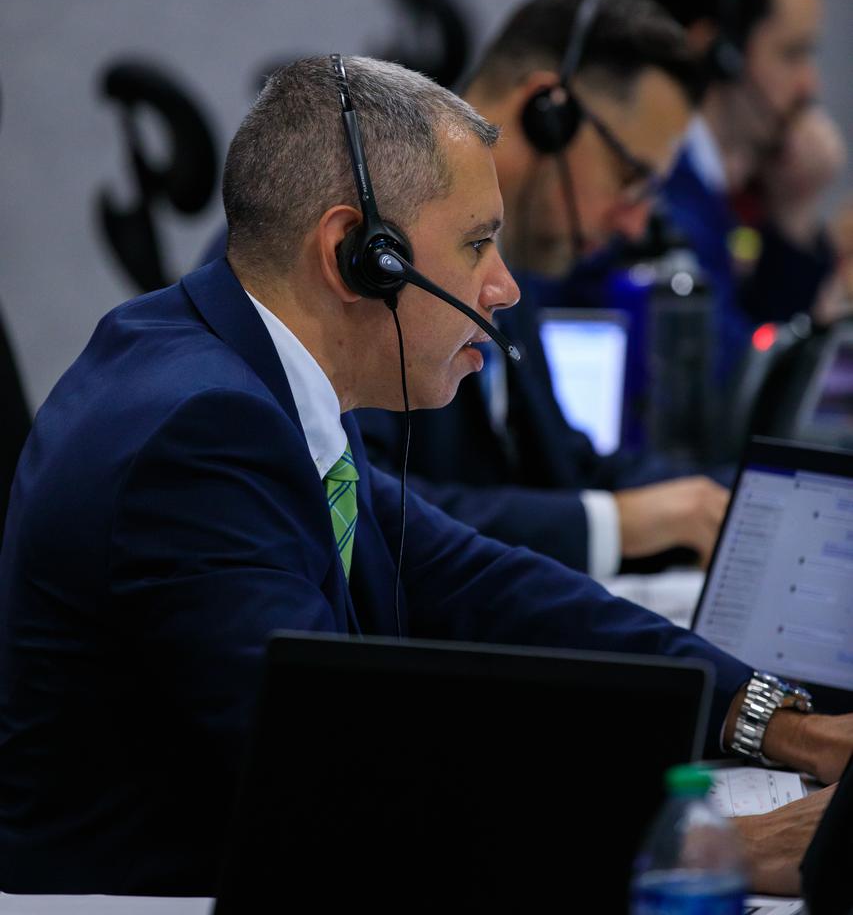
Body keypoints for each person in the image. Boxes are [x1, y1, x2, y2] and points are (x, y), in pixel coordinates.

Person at [0, 55, 846, 897]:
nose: (505, 286)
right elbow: (333, 781)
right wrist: (717, 847)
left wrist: (776, 724)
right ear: (358, 256)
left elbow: (479, 583)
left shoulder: (238, 373)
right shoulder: (199, 433)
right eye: (477, 243)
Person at [359, 0, 730, 577]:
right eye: (631, 177)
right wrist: (613, 525)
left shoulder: (507, 270)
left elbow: (567, 469)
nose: (636, 223)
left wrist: (738, 506)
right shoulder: (370, 250)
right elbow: (360, 505)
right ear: (546, 114)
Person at [628, 0, 849, 383]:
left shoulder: (712, 189)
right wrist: (794, 220)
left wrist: (792, 212)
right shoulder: (654, 195)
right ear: (716, 51)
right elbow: (733, 395)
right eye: (793, 53)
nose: (811, 85)